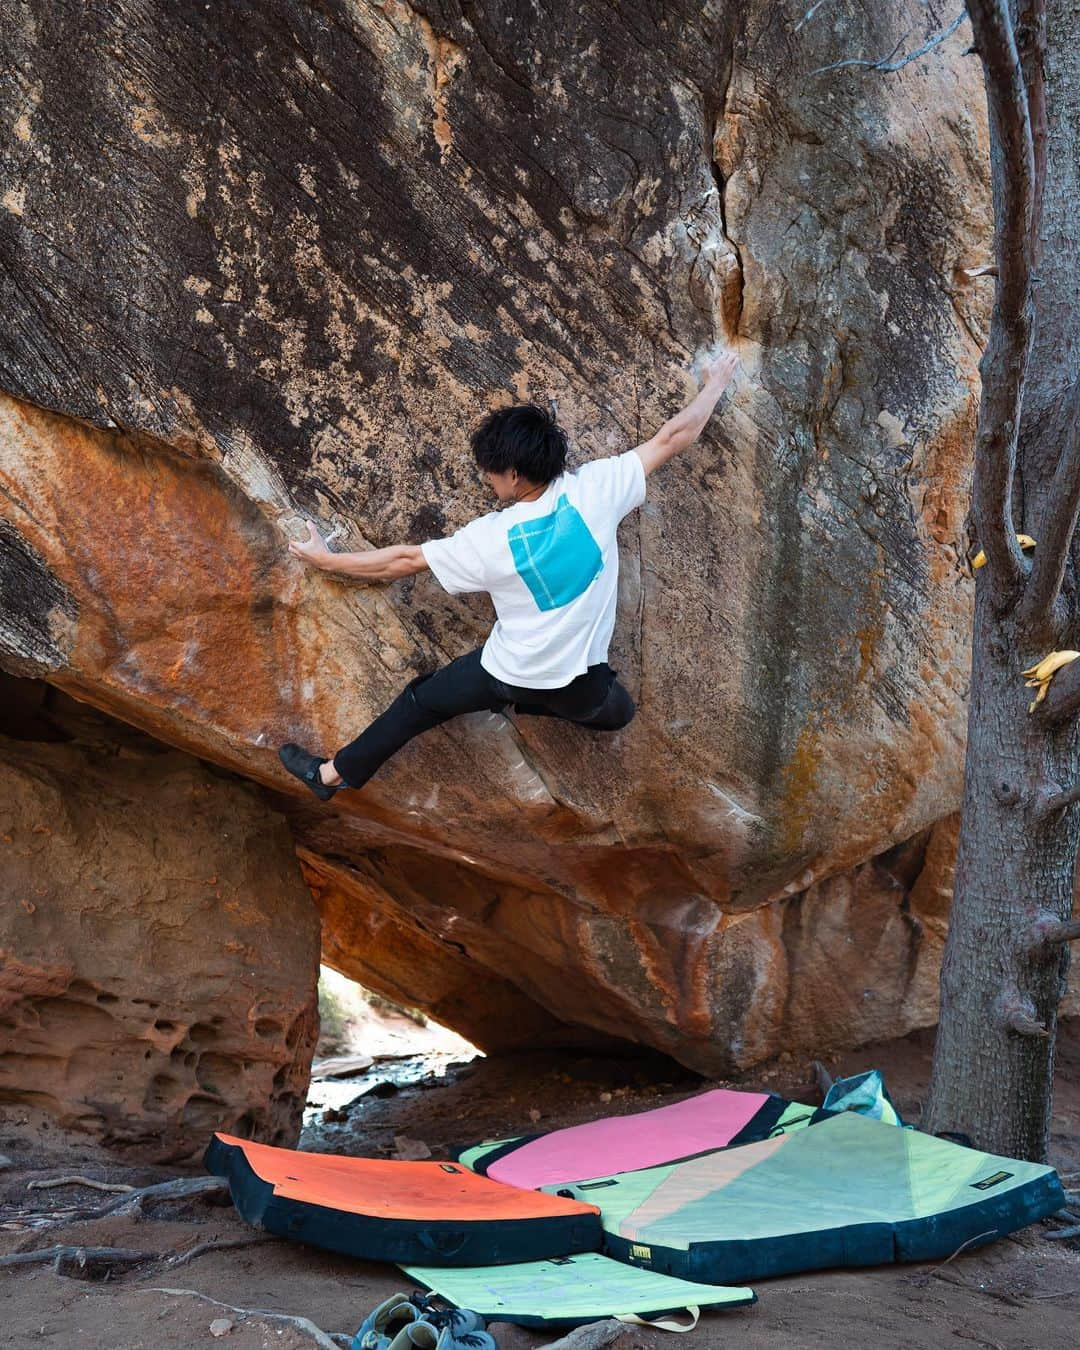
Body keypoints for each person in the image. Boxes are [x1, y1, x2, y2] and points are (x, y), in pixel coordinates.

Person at [279, 350, 740, 799]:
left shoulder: (490, 539)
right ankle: (532, 706)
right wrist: (715, 383)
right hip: (580, 689)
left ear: (516, 476)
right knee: (619, 711)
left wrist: (327, 560)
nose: (488, 479)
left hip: (507, 672)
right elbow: (673, 437)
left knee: (420, 704)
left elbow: (403, 562)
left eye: (492, 472)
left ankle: (330, 776)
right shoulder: (599, 489)